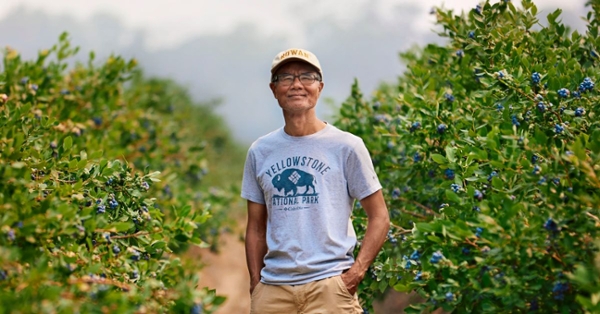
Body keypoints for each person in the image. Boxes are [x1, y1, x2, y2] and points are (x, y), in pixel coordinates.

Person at [241, 48, 390, 313]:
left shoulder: (347, 146)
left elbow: (379, 216)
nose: (297, 84)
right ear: (273, 89)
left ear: (319, 87)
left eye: (307, 77)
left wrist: (354, 275)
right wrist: (256, 284)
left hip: (330, 288)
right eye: (286, 77)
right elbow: (255, 228)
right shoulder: (260, 151)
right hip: (274, 291)